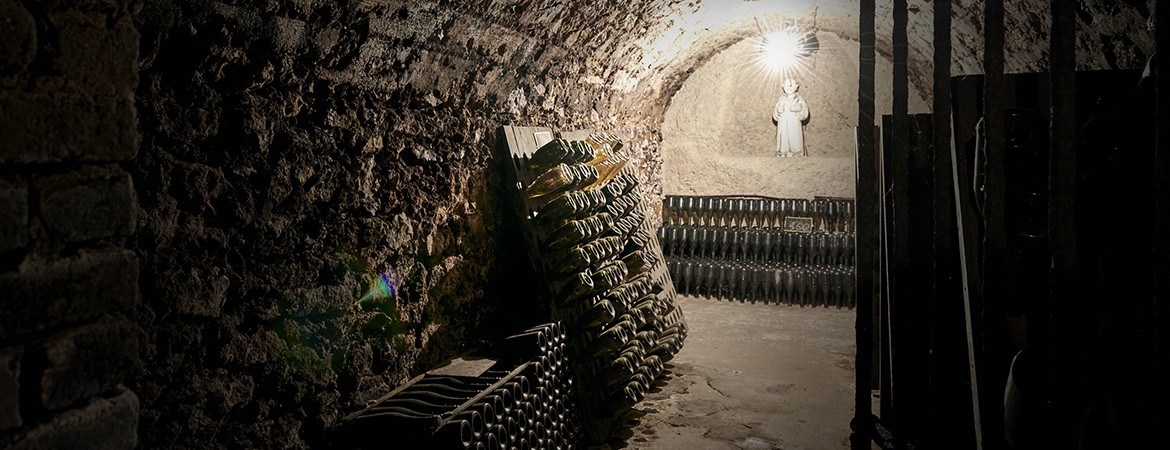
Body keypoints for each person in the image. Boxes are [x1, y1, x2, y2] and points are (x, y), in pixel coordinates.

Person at [773, 78, 810, 157]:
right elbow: (775, 115)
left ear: (796, 86)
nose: (789, 87)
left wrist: (799, 109)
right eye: (787, 85)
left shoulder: (799, 99)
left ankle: (796, 152)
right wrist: (778, 111)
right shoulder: (781, 99)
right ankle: (783, 152)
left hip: (794, 123)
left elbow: (805, 112)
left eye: (791, 85)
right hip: (783, 124)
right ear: (783, 86)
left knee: (794, 136)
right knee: (784, 138)